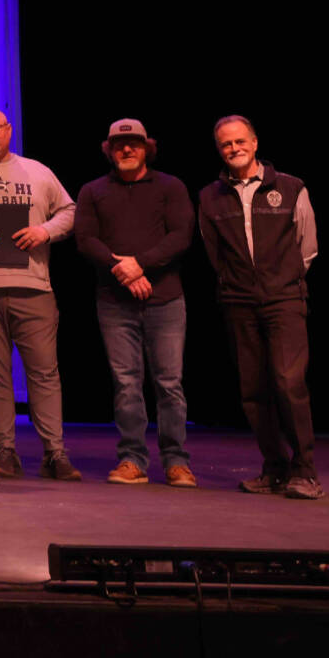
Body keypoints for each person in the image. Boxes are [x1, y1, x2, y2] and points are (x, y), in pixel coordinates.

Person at [198, 116, 322, 499]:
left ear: (254, 143)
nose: (234, 149)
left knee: (288, 382)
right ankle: (275, 468)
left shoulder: (290, 187)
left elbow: (307, 246)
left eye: (240, 141)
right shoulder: (210, 197)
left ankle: (305, 472)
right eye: (226, 144)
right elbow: (214, 253)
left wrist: (282, 280)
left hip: (284, 300)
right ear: (219, 150)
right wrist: (237, 284)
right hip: (239, 302)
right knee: (253, 389)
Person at [0, 108, 81, 481]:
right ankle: (6, 450)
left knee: (44, 372)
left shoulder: (38, 172)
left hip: (33, 287)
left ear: (9, 131)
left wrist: (45, 231)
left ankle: (55, 453)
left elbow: (70, 211)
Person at [75, 118, 196, 488]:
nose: (126, 149)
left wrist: (140, 264)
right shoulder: (93, 191)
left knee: (169, 383)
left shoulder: (170, 187)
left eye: (134, 144)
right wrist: (123, 270)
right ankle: (132, 459)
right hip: (115, 302)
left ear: (147, 148)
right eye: (118, 144)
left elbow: (181, 235)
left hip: (166, 300)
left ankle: (176, 461)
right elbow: (86, 239)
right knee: (126, 383)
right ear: (109, 150)